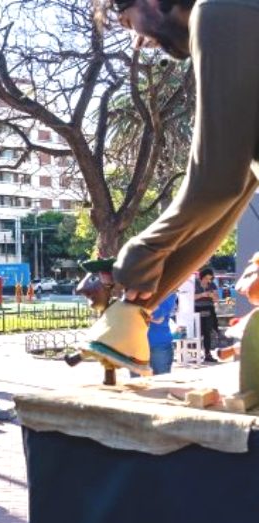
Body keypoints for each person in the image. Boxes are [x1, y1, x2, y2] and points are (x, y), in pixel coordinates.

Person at [98, 0, 259, 371]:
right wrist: (149, 294)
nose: (139, 42)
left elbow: (215, 184)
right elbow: (231, 196)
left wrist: (142, 250)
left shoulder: (220, 11)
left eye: (128, 22)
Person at [148, 293, 179, 375]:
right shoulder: (135, 289)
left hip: (158, 344)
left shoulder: (169, 292)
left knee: (160, 382)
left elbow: (157, 316)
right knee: (137, 384)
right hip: (136, 346)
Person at [194, 269, 219, 362]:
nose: (208, 280)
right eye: (206, 278)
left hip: (208, 309)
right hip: (196, 310)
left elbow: (217, 299)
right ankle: (195, 354)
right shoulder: (194, 283)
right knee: (196, 332)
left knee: (207, 332)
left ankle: (207, 354)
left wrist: (212, 296)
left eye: (210, 279)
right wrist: (202, 295)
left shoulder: (212, 285)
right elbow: (190, 297)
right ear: (201, 276)